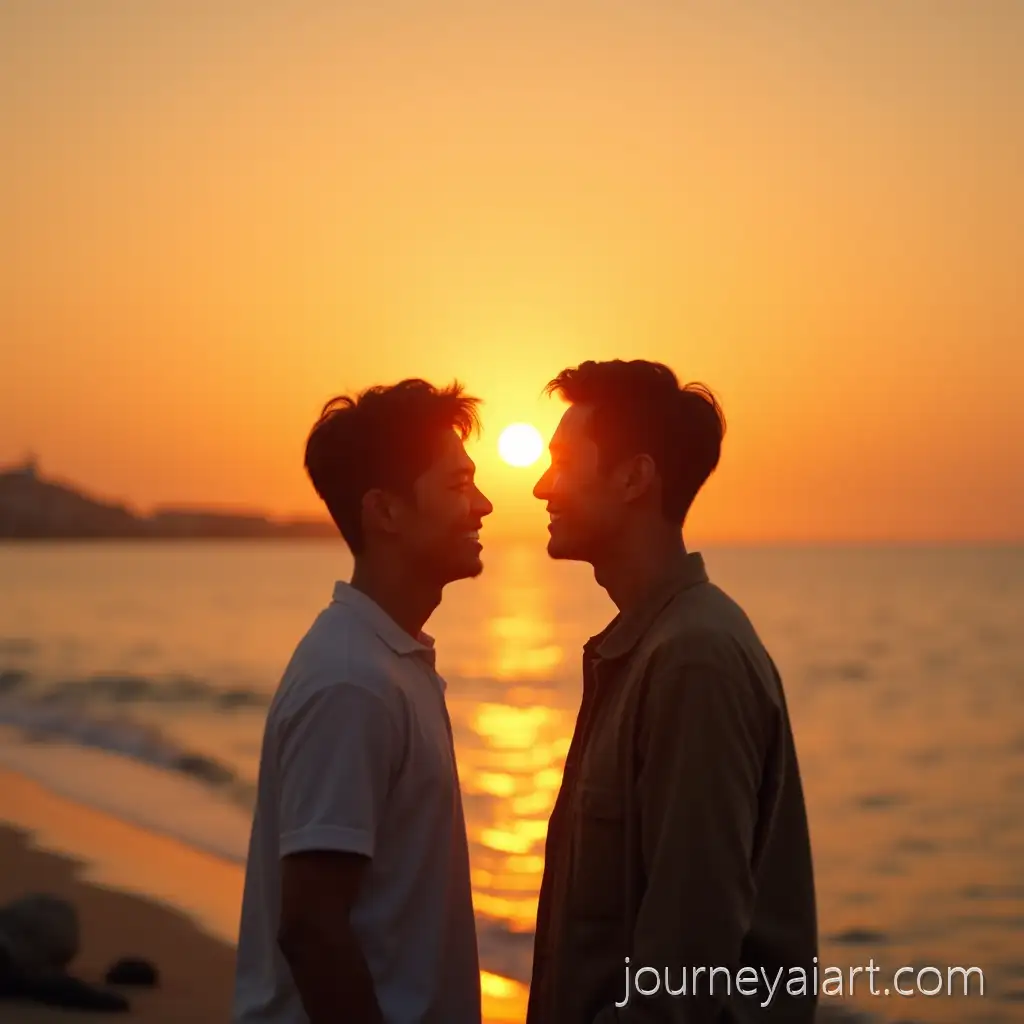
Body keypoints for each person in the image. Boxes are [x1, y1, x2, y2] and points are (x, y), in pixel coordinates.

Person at [526, 360, 818, 1023]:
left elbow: (683, 976)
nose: (542, 486)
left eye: (563, 462)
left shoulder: (693, 659)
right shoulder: (648, 647)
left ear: (634, 477)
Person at [233, 378, 492, 1024]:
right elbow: (312, 929)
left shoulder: (387, 660)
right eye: (458, 484)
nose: (483, 504)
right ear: (386, 512)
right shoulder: (352, 682)